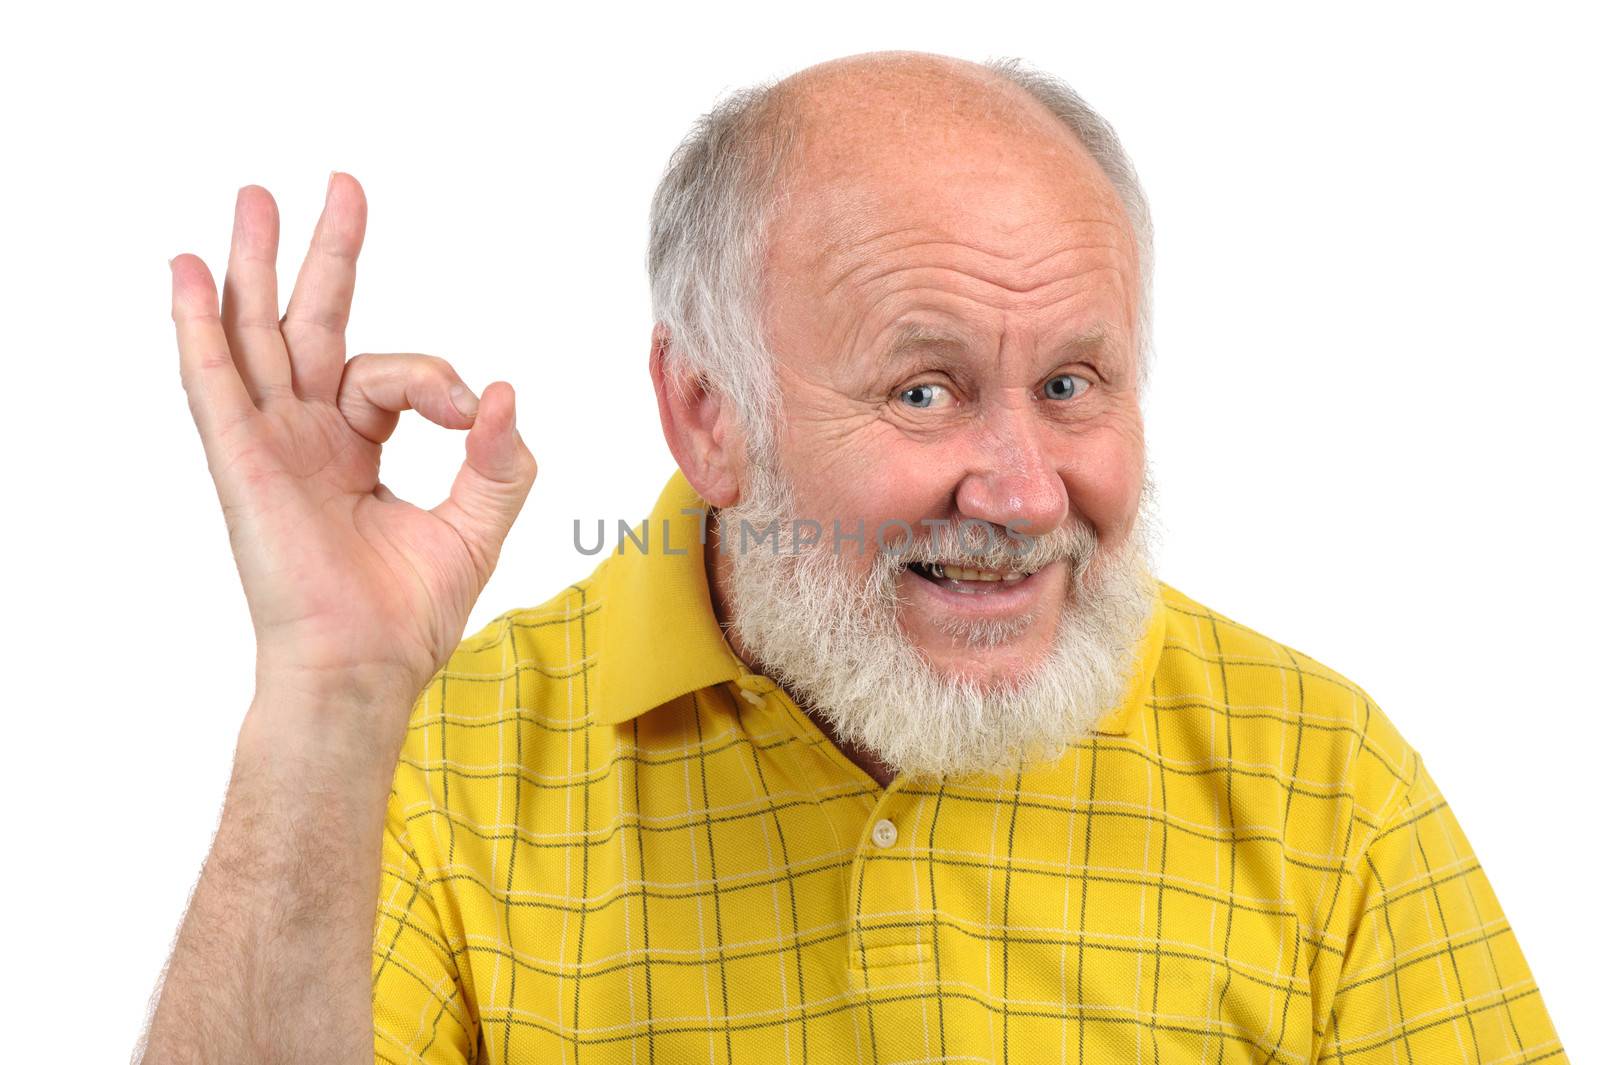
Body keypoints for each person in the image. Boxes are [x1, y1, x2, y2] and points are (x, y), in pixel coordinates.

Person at [139, 50, 1566, 1064]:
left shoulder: (1319, 774)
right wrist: (325, 701)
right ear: (710, 413)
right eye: (925, 390)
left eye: (1073, 383)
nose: (1018, 492)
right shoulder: (444, 764)